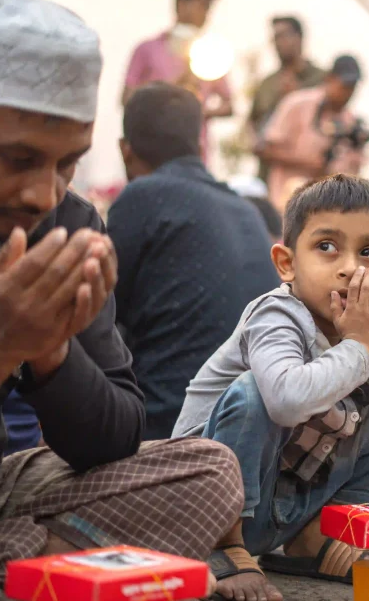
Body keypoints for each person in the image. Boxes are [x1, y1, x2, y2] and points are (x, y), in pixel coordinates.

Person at [0, 0, 242, 601]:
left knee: (210, 472)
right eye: (18, 159)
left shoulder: (64, 223)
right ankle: (13, 578)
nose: (43, 193)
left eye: (67, 163)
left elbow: (113, 437)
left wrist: (51, 352)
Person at [173, 175, 369, 601]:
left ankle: (326, 531)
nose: (349, 266)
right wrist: (360, 349)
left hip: (283, 506)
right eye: (327, 246)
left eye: (367, 252)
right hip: (204, 507)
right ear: (287, 263)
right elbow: (286, 400)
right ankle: (224, 547)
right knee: (256, 390)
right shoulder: (276, 315)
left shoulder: (368, 330)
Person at [108, 83, 279, 440]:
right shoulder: (246, 211)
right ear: (200, 145)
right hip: (254, 438)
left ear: (126, 151)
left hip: (167, 435)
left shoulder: (142, 196)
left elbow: (97, 317)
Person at [122, 0, 232, 162]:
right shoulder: (148, 49)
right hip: (152, 151)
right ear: (182, 4)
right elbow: (126, 98)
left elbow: (229, 104)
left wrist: (200, 111)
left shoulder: (211, 52)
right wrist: (173, 84)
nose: (206, 14)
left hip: (195, 153)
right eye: (202, 6)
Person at [256, 55, 369, 213]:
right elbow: (264, 149)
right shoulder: (298, 103)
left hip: (325, 210)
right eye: (344, 86)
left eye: (352, 88)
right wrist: (309, 163)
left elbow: (353, 172)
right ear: (330, 79)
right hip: (286, 206)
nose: (348, 93)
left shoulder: (349, 121)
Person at [249, 16, 327, 183]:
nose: (278, 43)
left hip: (312, 178)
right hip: (271, 176)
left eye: (283, 36)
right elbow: (252, 122)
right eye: (275, 38)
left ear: (299, 38)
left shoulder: (322, 80)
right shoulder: (267, 84)